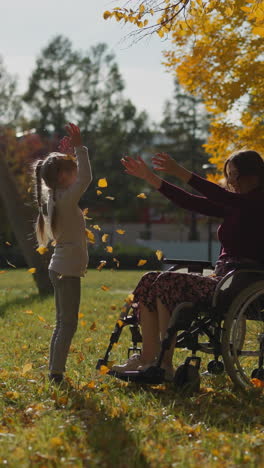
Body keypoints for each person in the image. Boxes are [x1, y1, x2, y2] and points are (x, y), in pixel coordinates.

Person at [112, 149, 264, 381]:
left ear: (254, 174)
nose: (230, 180)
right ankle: (147, 360)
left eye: (234, 174)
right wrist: (150, 178)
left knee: (167, 281)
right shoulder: (235, 203)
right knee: (150, 279)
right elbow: (191, 202)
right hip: (222, 281)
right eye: (229, 174)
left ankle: (164, 364)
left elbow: (219, 195)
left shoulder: (256, 202)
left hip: (243, 284)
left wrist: (179, 171)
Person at [34, 123, 92, 383]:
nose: (77, 173)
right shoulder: (65, 200)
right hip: (66, 269)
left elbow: (78, 176)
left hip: (60, 267)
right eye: (72, 171)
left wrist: (68, 156)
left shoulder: (55, 198)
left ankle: (54, 370)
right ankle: (56, 373)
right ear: (62, 177)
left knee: (62, 322)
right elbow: (87, 178)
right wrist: (79, 147)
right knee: (67, 324)